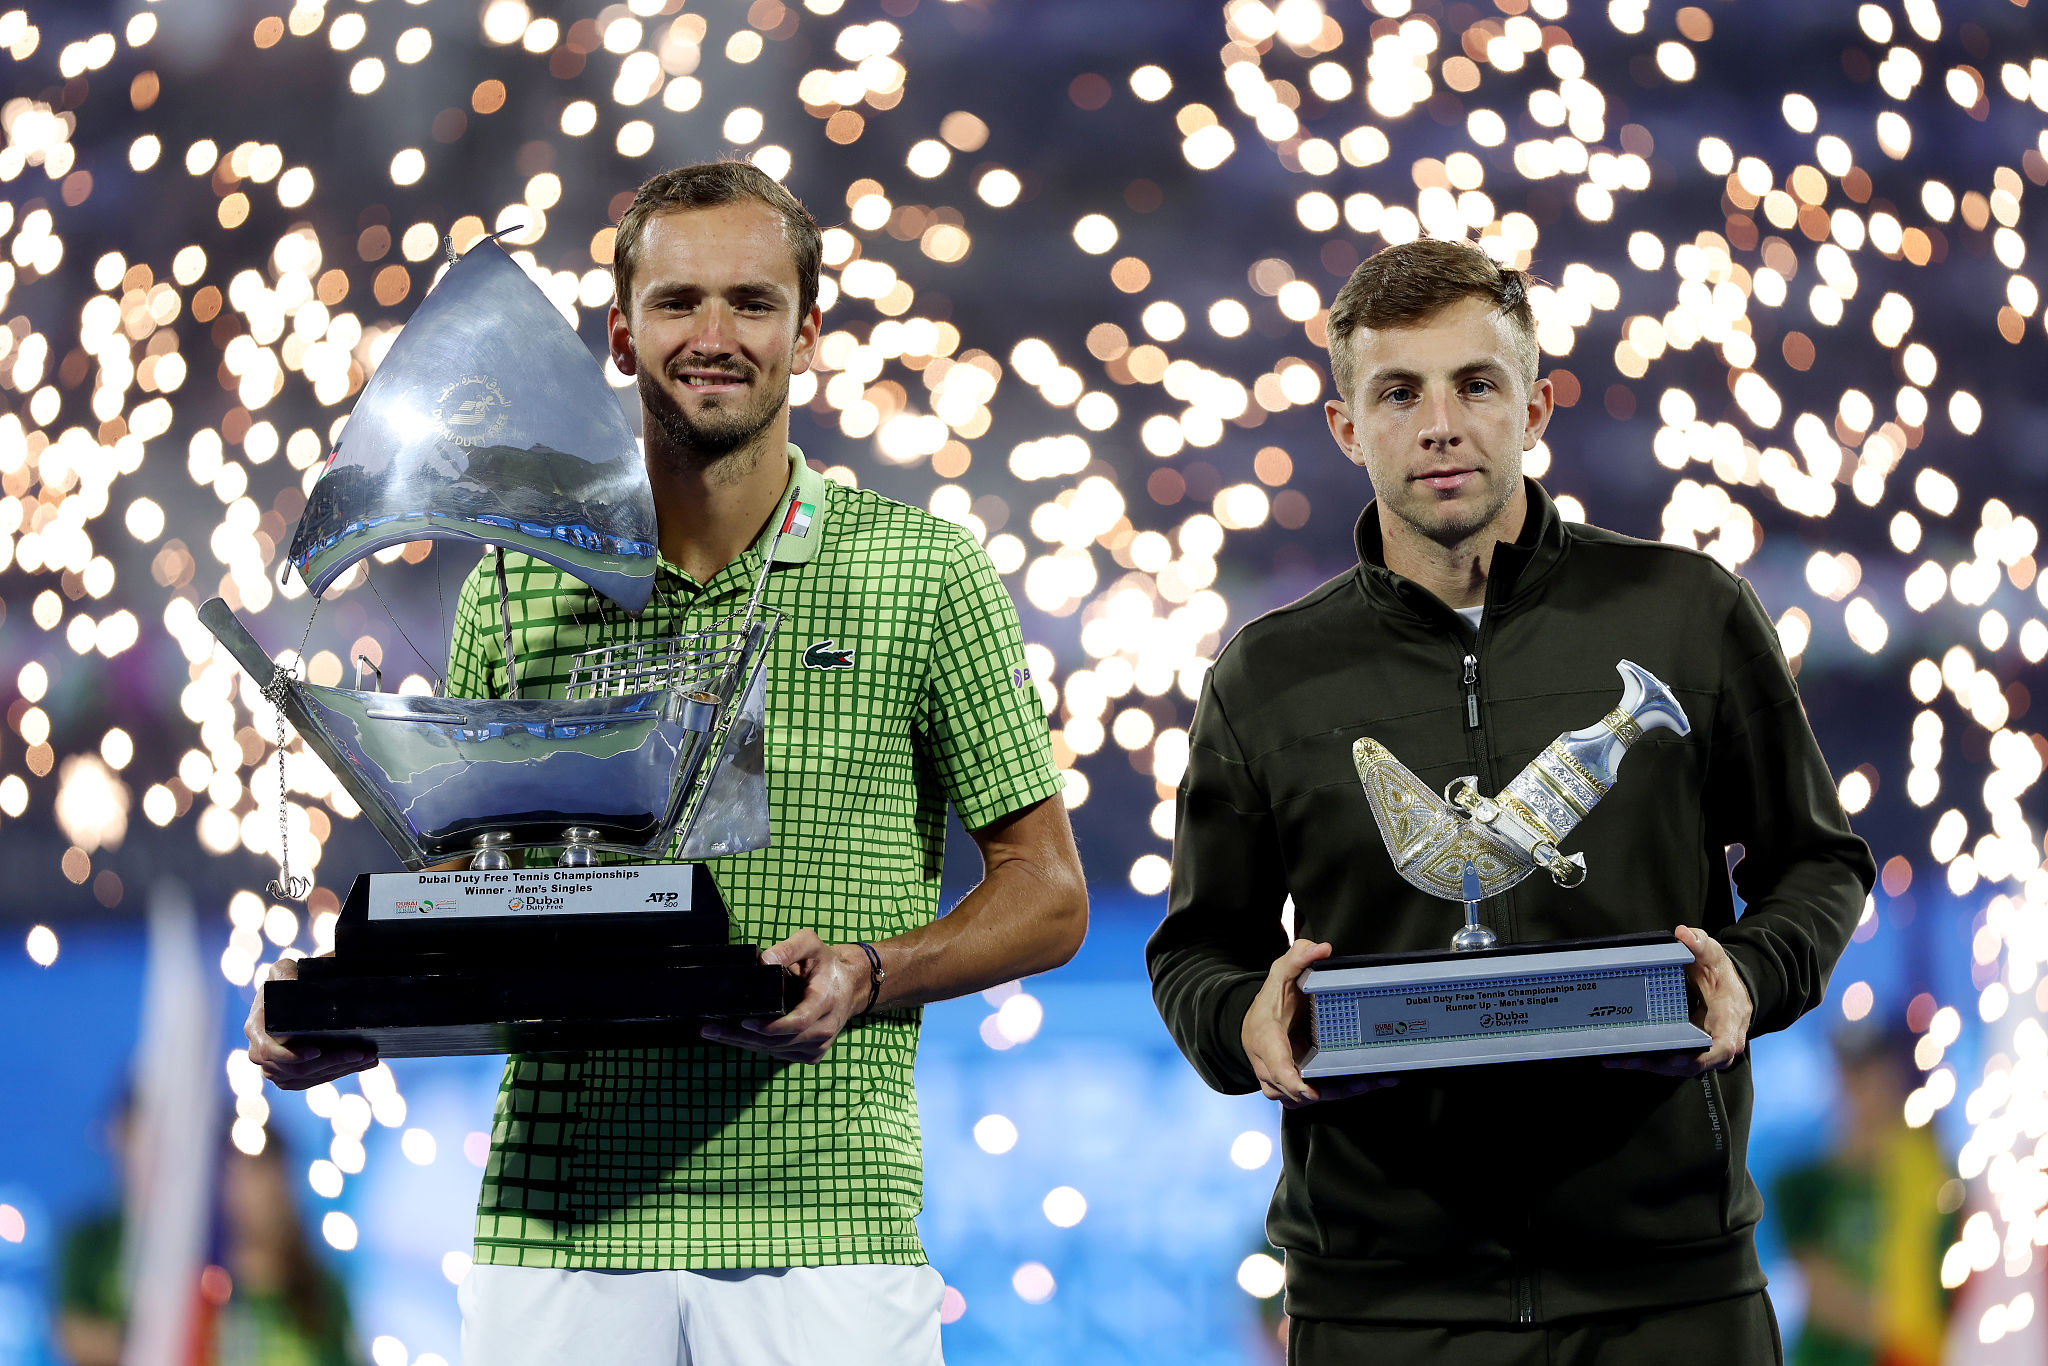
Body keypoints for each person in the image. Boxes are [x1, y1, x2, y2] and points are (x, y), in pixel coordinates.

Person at [246, 160, 1087, 1364]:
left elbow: (1049, 896)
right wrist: (350, 1010)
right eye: (677, 303)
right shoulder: (514, 584)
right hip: (556, 1231)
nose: (713, 336)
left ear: (807, 332)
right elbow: (482, 903)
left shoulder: (925, 572)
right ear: (621, 335)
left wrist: (866, 967)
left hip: (825, 1227)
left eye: (751, 302)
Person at [1147, 237, 1874, 1365]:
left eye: (1474, 384)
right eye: (1398, 392)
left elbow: (1816, 863)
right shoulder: (1267, 676)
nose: (1439, 423)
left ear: (1533, 407)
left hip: (1668, 1294)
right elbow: (1196, 951)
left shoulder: (1684, 613)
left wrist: (1753, 972)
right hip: (1381, 1310)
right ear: (1347, 428)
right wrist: (1241, 1021)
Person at [1772, 1028, 1954, 1366]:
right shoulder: (1802, 1187)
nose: (1866, 1089)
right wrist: (1907, 1321)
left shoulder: (1936, 1182)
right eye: (1853, 1075)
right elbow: (1824, 1295)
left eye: (1873, 1073)